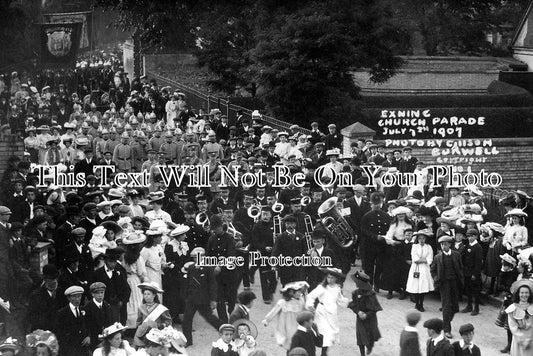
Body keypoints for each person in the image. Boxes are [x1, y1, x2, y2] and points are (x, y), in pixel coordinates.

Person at [305, 268, 350, 356]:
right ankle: (321, 352)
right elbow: (311, 296)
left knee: (330, 333)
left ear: (336, 279)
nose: (329, 279)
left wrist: (348, 302)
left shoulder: (337, 288)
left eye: (332, 278)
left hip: (332, 312)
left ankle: (324, 352)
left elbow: (340, 299)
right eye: (328, 277)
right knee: (325, 332)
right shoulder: (322, 287)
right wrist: (310, 305)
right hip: (322, 311)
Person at [431, 235, 463, 339]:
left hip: (454, 282)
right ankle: (446, 329)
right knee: (446, 306)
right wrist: (436, 279)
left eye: (445, 244)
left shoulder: (456, 255)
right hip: (444, 284)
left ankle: (446, 321)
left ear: (450, 244)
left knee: (455, 307)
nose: (443, 246)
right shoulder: (438, 257)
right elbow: (433, 270)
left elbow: (460, 267)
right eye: (441, 244)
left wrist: (460, 278)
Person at [262, 281, 308, 351]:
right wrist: (267, 320)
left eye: (300, 292)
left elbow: (304, 310)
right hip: (287, 325)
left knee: (298, 341)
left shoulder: (300, 300)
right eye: (298, 292)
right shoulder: (283, 302)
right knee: (290, 342)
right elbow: (274, 311)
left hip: (298, 324)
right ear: (291, 293)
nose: (300, 293)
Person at [348, 271, 382, 356]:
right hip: (360, 319)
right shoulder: (355, 293)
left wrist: (366, 315)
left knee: (370, 337)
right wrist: (358, 312)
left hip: (370, 319)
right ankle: (362, 354)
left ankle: (370, 347)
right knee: (360, 338)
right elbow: (353, 305)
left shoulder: (371, 294)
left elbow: (374, 309)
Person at [55, 285, 91, 356]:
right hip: (69, 350)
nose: (77, 299)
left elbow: (89, 326)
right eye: (74, 297)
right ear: (69, 298)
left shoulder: (85, 310)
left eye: (79, 296)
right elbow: (59, 333)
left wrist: (88, 337)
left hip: (83, 349)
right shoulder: (62, 313)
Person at [122, 231, 148, 329]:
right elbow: (141, 272)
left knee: (130, 301)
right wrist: (144, 281)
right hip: (135, 280)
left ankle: (129, 324)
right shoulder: (138, 257)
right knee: (137, 300)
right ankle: (136, 324)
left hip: (127, 279)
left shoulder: (124, 256)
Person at [133, 282, 172, 347]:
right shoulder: (141, 308)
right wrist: (140, 329)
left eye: (148, 294)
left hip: (157, 334)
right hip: (144, 334)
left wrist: (160, 326)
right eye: (144, 294)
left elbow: (168, 322)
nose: (146, 296)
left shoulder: (161, 308)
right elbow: (139, 322)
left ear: (154, 295)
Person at [406, 229, 435, 312]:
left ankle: (421, 304)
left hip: (425, 269)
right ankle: (416, 304)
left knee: (423, 286)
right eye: (420, 238)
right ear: (417, 239)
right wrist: (423, 259)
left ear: (425, 239)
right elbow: (415, 259)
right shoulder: (414, 246)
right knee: (416, 286)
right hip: (416, 268)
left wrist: (423, 260)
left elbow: (430, 259)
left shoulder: (428, 247)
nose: (421, 240)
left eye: (423, 238)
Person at [506, 278, 533, 356]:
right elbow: (513, 327)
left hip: (531, 338)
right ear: (518, 294)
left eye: (526, 293)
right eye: (522, 293)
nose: (524, 295)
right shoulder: (512, 308)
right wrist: (522, 339)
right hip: (519, 339)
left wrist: (530, 338)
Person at [460, 229, 483, 316]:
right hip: (467, 272)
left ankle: (476, 308)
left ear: (476, 236)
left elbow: (478, 262)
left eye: (472, 236)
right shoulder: (467, 246)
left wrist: (475, 274)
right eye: (468, 236)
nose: (470, 238)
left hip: (474, 273)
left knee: (475, 291)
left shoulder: (478, 247)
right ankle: (469, 306)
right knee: (468, 290)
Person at [84, 282, 112, 349]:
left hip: (106, 337)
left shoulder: (107, 305)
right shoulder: (87, 308)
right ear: (92, 294)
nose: (100, 295)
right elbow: (86, 326)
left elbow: (109, 322)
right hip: (94, 339)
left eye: (102, 293)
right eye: (97, 293)